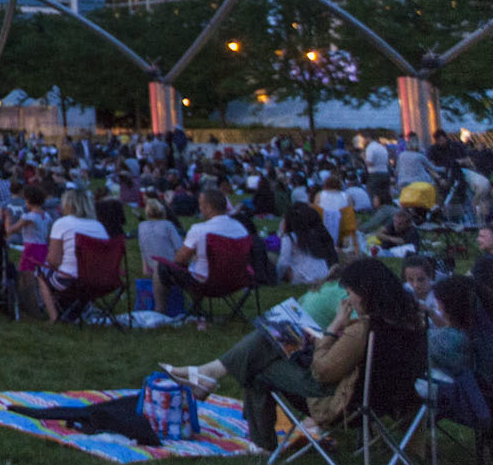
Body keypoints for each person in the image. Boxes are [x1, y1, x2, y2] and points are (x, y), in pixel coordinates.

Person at [160, 257, 424, 450]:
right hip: (383, 399)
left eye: (351, 292)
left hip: (337, 399)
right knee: (276, 334)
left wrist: (333, 328)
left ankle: (260, 443)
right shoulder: (411, 322)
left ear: (366, 292)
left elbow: (321, 372)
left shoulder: (364, 329)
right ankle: (211, 373)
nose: (349, 298)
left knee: (260, 368)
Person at [152, 186, 249, 315]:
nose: (200, 208)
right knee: (199, 263)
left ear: (209, 207)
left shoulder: (200, 229)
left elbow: (179, 259)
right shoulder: (240, 228)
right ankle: (196, 309)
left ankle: (160, 311)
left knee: (162, 266)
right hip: (237, 282)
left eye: (201, 205)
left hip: (208, 284)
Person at [36, 188, 110, 323]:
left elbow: (53, 260)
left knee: (40, 272)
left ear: (67, 204)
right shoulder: (99, 226)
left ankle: (53, 317)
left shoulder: (62, 223)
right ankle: (80, 308)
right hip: (100, 280)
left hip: (71, 282)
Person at [277, 203, 338, 285]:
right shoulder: (315, 234)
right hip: (323, 274)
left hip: (303, 277)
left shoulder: (289, 238)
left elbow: (283, 262)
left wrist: (277, 277)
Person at [134, 197, 183, 279]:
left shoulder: (141, 226)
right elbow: (179, 247)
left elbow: (143, 250)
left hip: (152, 267)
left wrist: (145, 271)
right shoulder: (168, 225)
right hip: (169, 266)